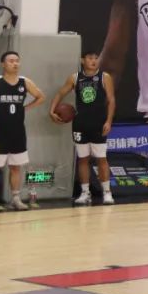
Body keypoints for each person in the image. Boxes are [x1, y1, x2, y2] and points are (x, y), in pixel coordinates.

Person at [0, 52, 45, 212]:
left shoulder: (25, 82)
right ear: (3, 64)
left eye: (17, 61)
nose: (15, 63)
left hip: (17, 132)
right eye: (11, 61)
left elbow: (41, 97)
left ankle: (16, 199)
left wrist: (26, 108)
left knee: (15, 167)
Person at [49, 50, 116, 205]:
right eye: (90, 58)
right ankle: (85, 193)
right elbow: (60, 93)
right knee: (83, 159)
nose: (94, 61)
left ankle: (107, 192)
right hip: (80, 124)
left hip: (98, 123)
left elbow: (111, 100)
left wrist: (108, 121)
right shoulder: (75, 78)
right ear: (82, 60)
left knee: (101, 159)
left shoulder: (104, 77)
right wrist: (52, 111)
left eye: (96, 58)